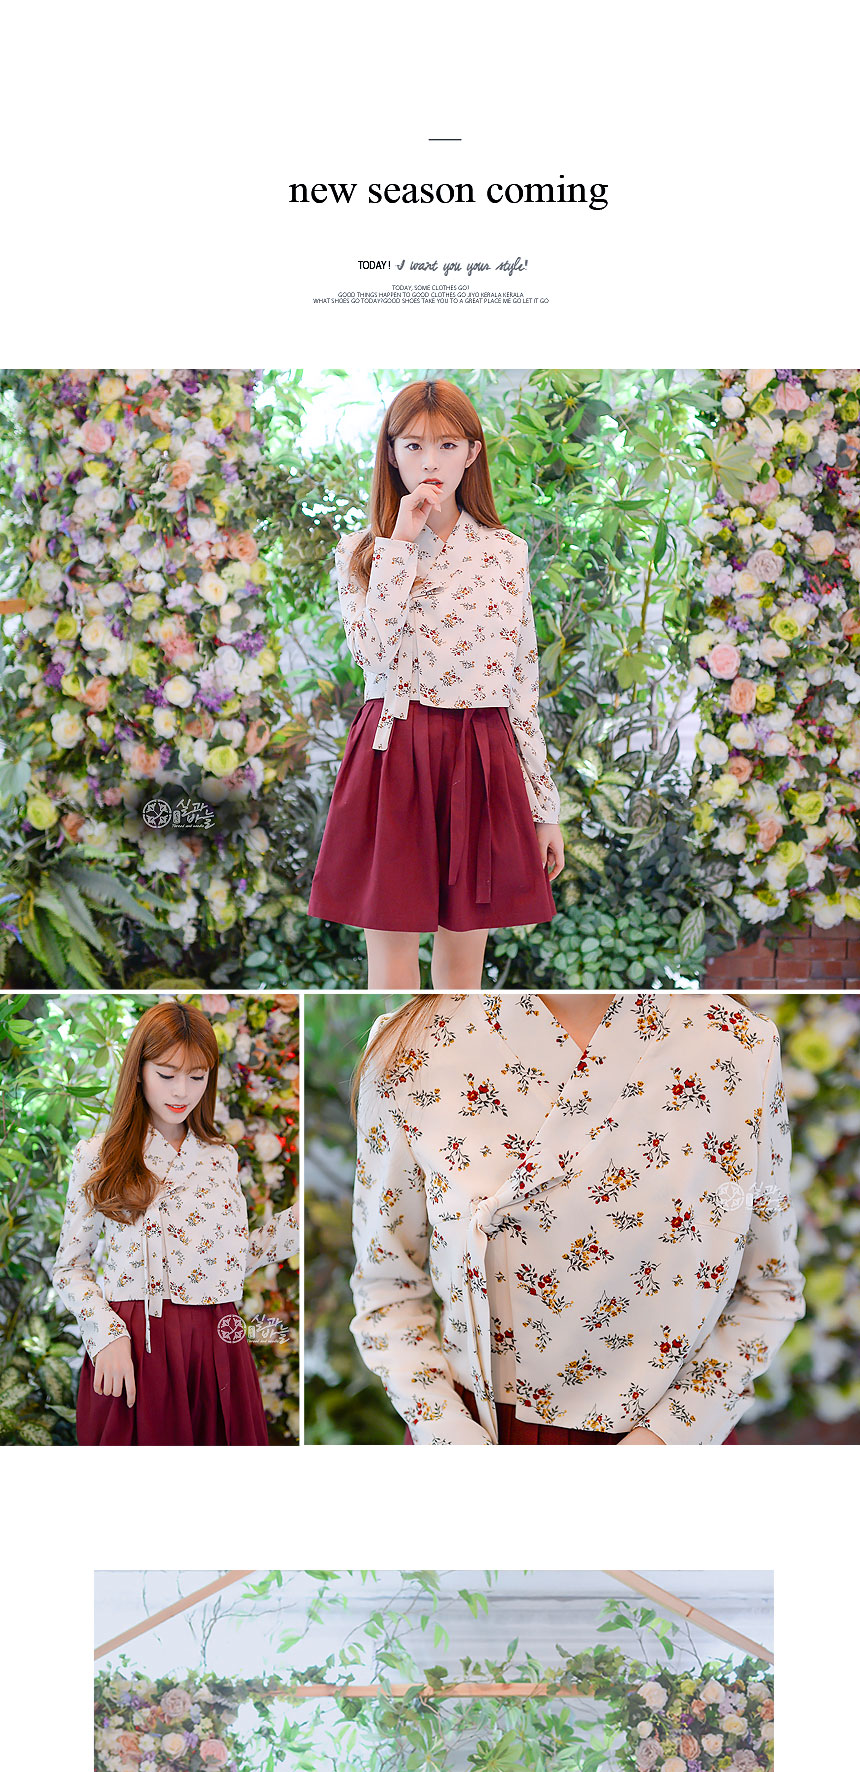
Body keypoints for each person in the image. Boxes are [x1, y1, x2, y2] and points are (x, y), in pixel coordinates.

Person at [345, 984, 805, 1445]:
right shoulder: (413, 1047)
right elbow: (387, 1286)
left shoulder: (735, 1043)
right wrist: (448, 1434)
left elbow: (769, 1286)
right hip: (476, 1433)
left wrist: (668, 1437)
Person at [308, 378, 564, 988]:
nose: (430, 462)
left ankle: (455, 1054)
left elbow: (521, 683)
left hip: (482, 749)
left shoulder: (505, 552)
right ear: (391, 453)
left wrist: (544, 808)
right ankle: (398, 1053)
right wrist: (399, 543)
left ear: (472, 453)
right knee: (391, 955)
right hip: (396, 745)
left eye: (448, 445)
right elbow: (372, 654)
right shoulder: (362, 551)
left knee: (463, 963)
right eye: (414, 445)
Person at [52, 997, 299, 1444]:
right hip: (135, 1342)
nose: (182, 1091)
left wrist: (298, 1225)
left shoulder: (220, 1157)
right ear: (139, 1071)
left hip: (218, 1341)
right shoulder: (99, 1155)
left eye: (197, 1076)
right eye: (167, 1075)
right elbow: (70, 1266)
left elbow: (228, 1261)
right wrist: (105, 1334)